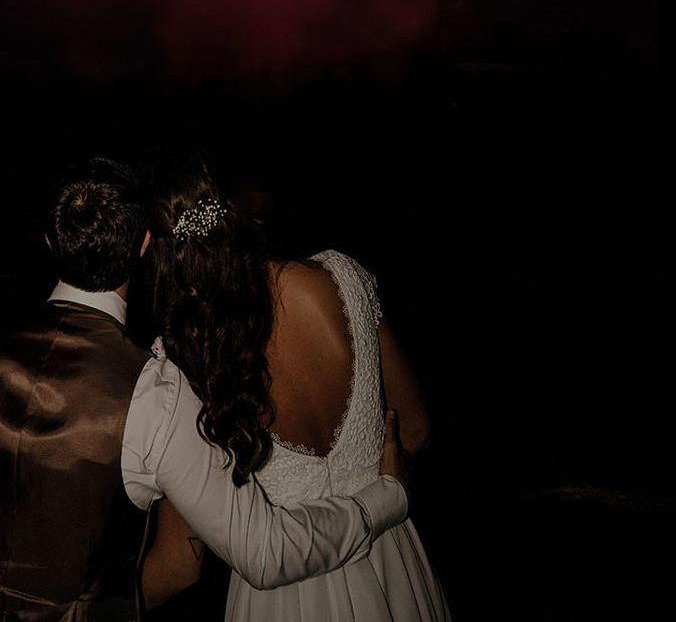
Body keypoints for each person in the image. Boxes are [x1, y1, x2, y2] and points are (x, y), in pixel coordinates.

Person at [0, 156, 411, 620]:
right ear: (145, 244)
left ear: (49, 243)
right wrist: (385, 499)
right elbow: (263, 553)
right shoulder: (156, 392)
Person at [142, 150, 451, 622]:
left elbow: (180, 565)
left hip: (284, 600)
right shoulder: (343, 278)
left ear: (153, 249)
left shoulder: (186, 361)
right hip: (393, 569)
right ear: (237, 209)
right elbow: (416, 430)